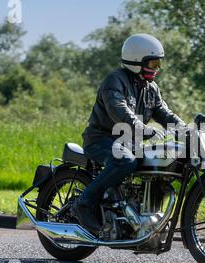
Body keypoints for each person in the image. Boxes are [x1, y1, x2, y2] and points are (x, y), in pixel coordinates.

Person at [73, 34, 186, 234]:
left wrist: (185, 128)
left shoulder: (151, 88)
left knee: (159, 161)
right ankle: (84, 203)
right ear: (136, 60)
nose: (156, 68)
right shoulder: (115, 80)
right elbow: (120, 111)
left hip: (129, 142)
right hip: (101, 139)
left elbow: (163, 113)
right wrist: (144, 129)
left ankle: (137, 212)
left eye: (158, 64)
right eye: (153, 63)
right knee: (125, 161)